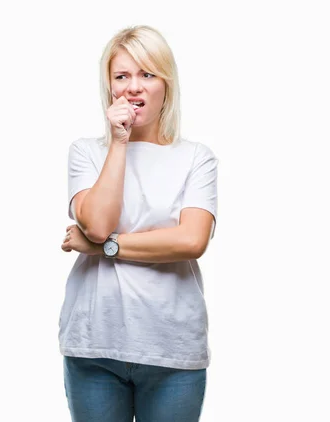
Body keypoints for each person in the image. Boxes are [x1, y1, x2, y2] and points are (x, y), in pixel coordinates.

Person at [59, 24, 218, 422]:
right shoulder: (86, 152)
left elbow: (191, 241)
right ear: (108, 87)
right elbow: (97, 223)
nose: (134, 87)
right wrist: (119, 141)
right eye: (122, 76)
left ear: (166, 84)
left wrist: (103, 248)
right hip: (95, 347)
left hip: (172, 350)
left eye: (147, 74)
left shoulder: (196, 157)